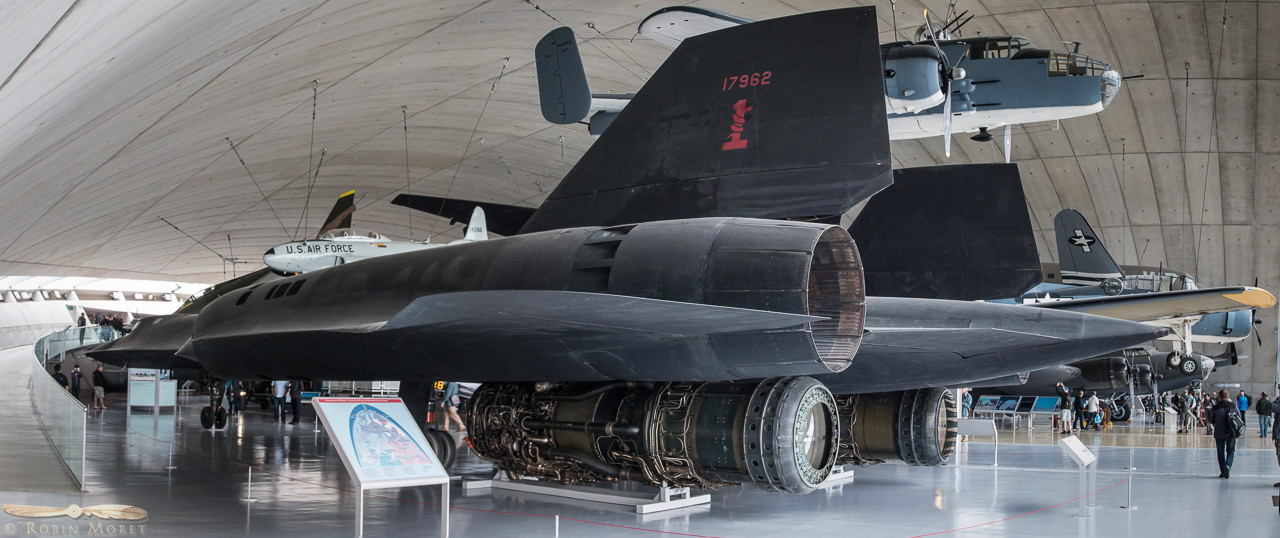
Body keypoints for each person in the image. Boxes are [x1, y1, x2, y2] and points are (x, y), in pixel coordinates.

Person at [1209, 389, 1242, 478]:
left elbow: (1211, 420)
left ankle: (1223, 471)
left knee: (1220, 451)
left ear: (1219, 396)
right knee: (1231, 450)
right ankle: (1228, 465)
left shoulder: (1215, 407)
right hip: (1231, 431)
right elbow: (1239, 417)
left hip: (1219, 432)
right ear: (1228, 396)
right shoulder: (1233, 406)